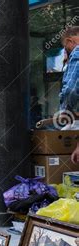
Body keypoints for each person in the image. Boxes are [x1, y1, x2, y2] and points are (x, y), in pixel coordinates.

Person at [61, 27, 79, 163]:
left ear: (69, 41)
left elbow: (70, 90)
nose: (66, 51)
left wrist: (66, 110)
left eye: (65, 48)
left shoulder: (77, 52)